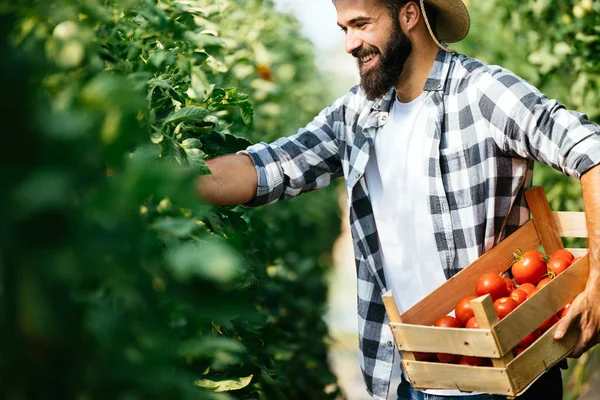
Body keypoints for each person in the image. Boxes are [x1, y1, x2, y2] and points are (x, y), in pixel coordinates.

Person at [195, 0, 600, 399]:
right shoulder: (357, 113)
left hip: (502, 375)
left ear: (408, 14)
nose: (350, 43)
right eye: (344, 29)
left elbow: (592, 152)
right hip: (405, 378)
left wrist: (599, 283)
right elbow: (271, 168)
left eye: (361, 24)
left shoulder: (481, 94)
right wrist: (168, 178)